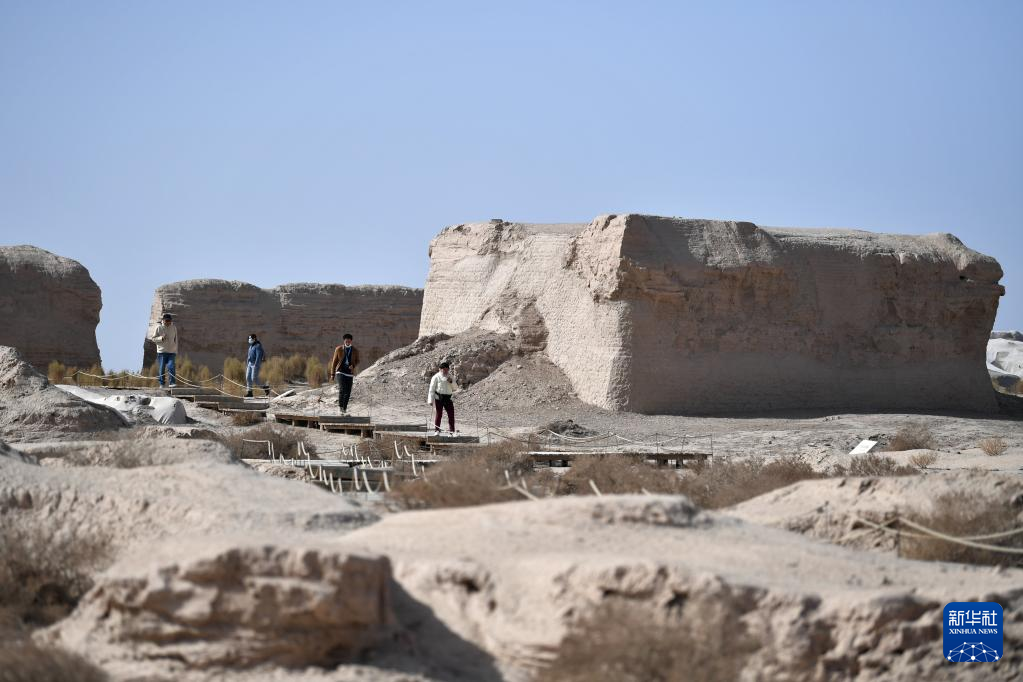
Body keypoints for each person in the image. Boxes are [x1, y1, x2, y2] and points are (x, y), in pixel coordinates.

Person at [329, 333, 359, 414]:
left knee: (348, 392)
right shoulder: (338, 349)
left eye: (349, 341)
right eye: (346, 341)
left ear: (351, 341)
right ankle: (340, 407)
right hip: (340, 371)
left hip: (349, 373)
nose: (347, 342)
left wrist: (353, 365)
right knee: (342, 389)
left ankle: (344, 409)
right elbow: (334, 362)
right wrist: (332, 374)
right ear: (344, 341)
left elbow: (357, 360)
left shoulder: (355, 350)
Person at [427, 362, 456, 435]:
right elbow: (432, 389)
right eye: (444, 369)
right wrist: (430, 400)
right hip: (438, 398)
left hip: (448, 398)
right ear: (440, 369)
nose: (446, 371)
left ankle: (452, 431)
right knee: (439, 414)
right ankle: (437, 430)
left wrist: (451, 382)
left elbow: (455, 388)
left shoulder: (451, 377)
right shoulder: (436, 377)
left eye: (447, 369)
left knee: (451, 414)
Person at [151, 313, 179, 388]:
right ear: (163, 320)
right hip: (162, 352)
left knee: (171, 366)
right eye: (167, 320)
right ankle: (162, 383)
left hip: (171, 352)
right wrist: (161, 338)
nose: (168, 322)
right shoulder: (158, 327)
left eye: (169, 320)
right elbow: (153, 338)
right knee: (161, 368)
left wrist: (175, 350)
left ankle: (172, 383)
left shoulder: (174, 328)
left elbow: (176, 340)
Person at [245, 334, 265, 398]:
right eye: (249, 338)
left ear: (254, 339)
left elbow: (258, 356)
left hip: (254, 364)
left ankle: (265, 387)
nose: (249, 340)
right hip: (250, 364)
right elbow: (249, 355)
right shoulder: (251, 346)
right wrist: (247, 363)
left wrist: (256, 364)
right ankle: (249, 393)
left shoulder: (258, 346)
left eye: (250, 338)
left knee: (254, 379)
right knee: (248, 378)